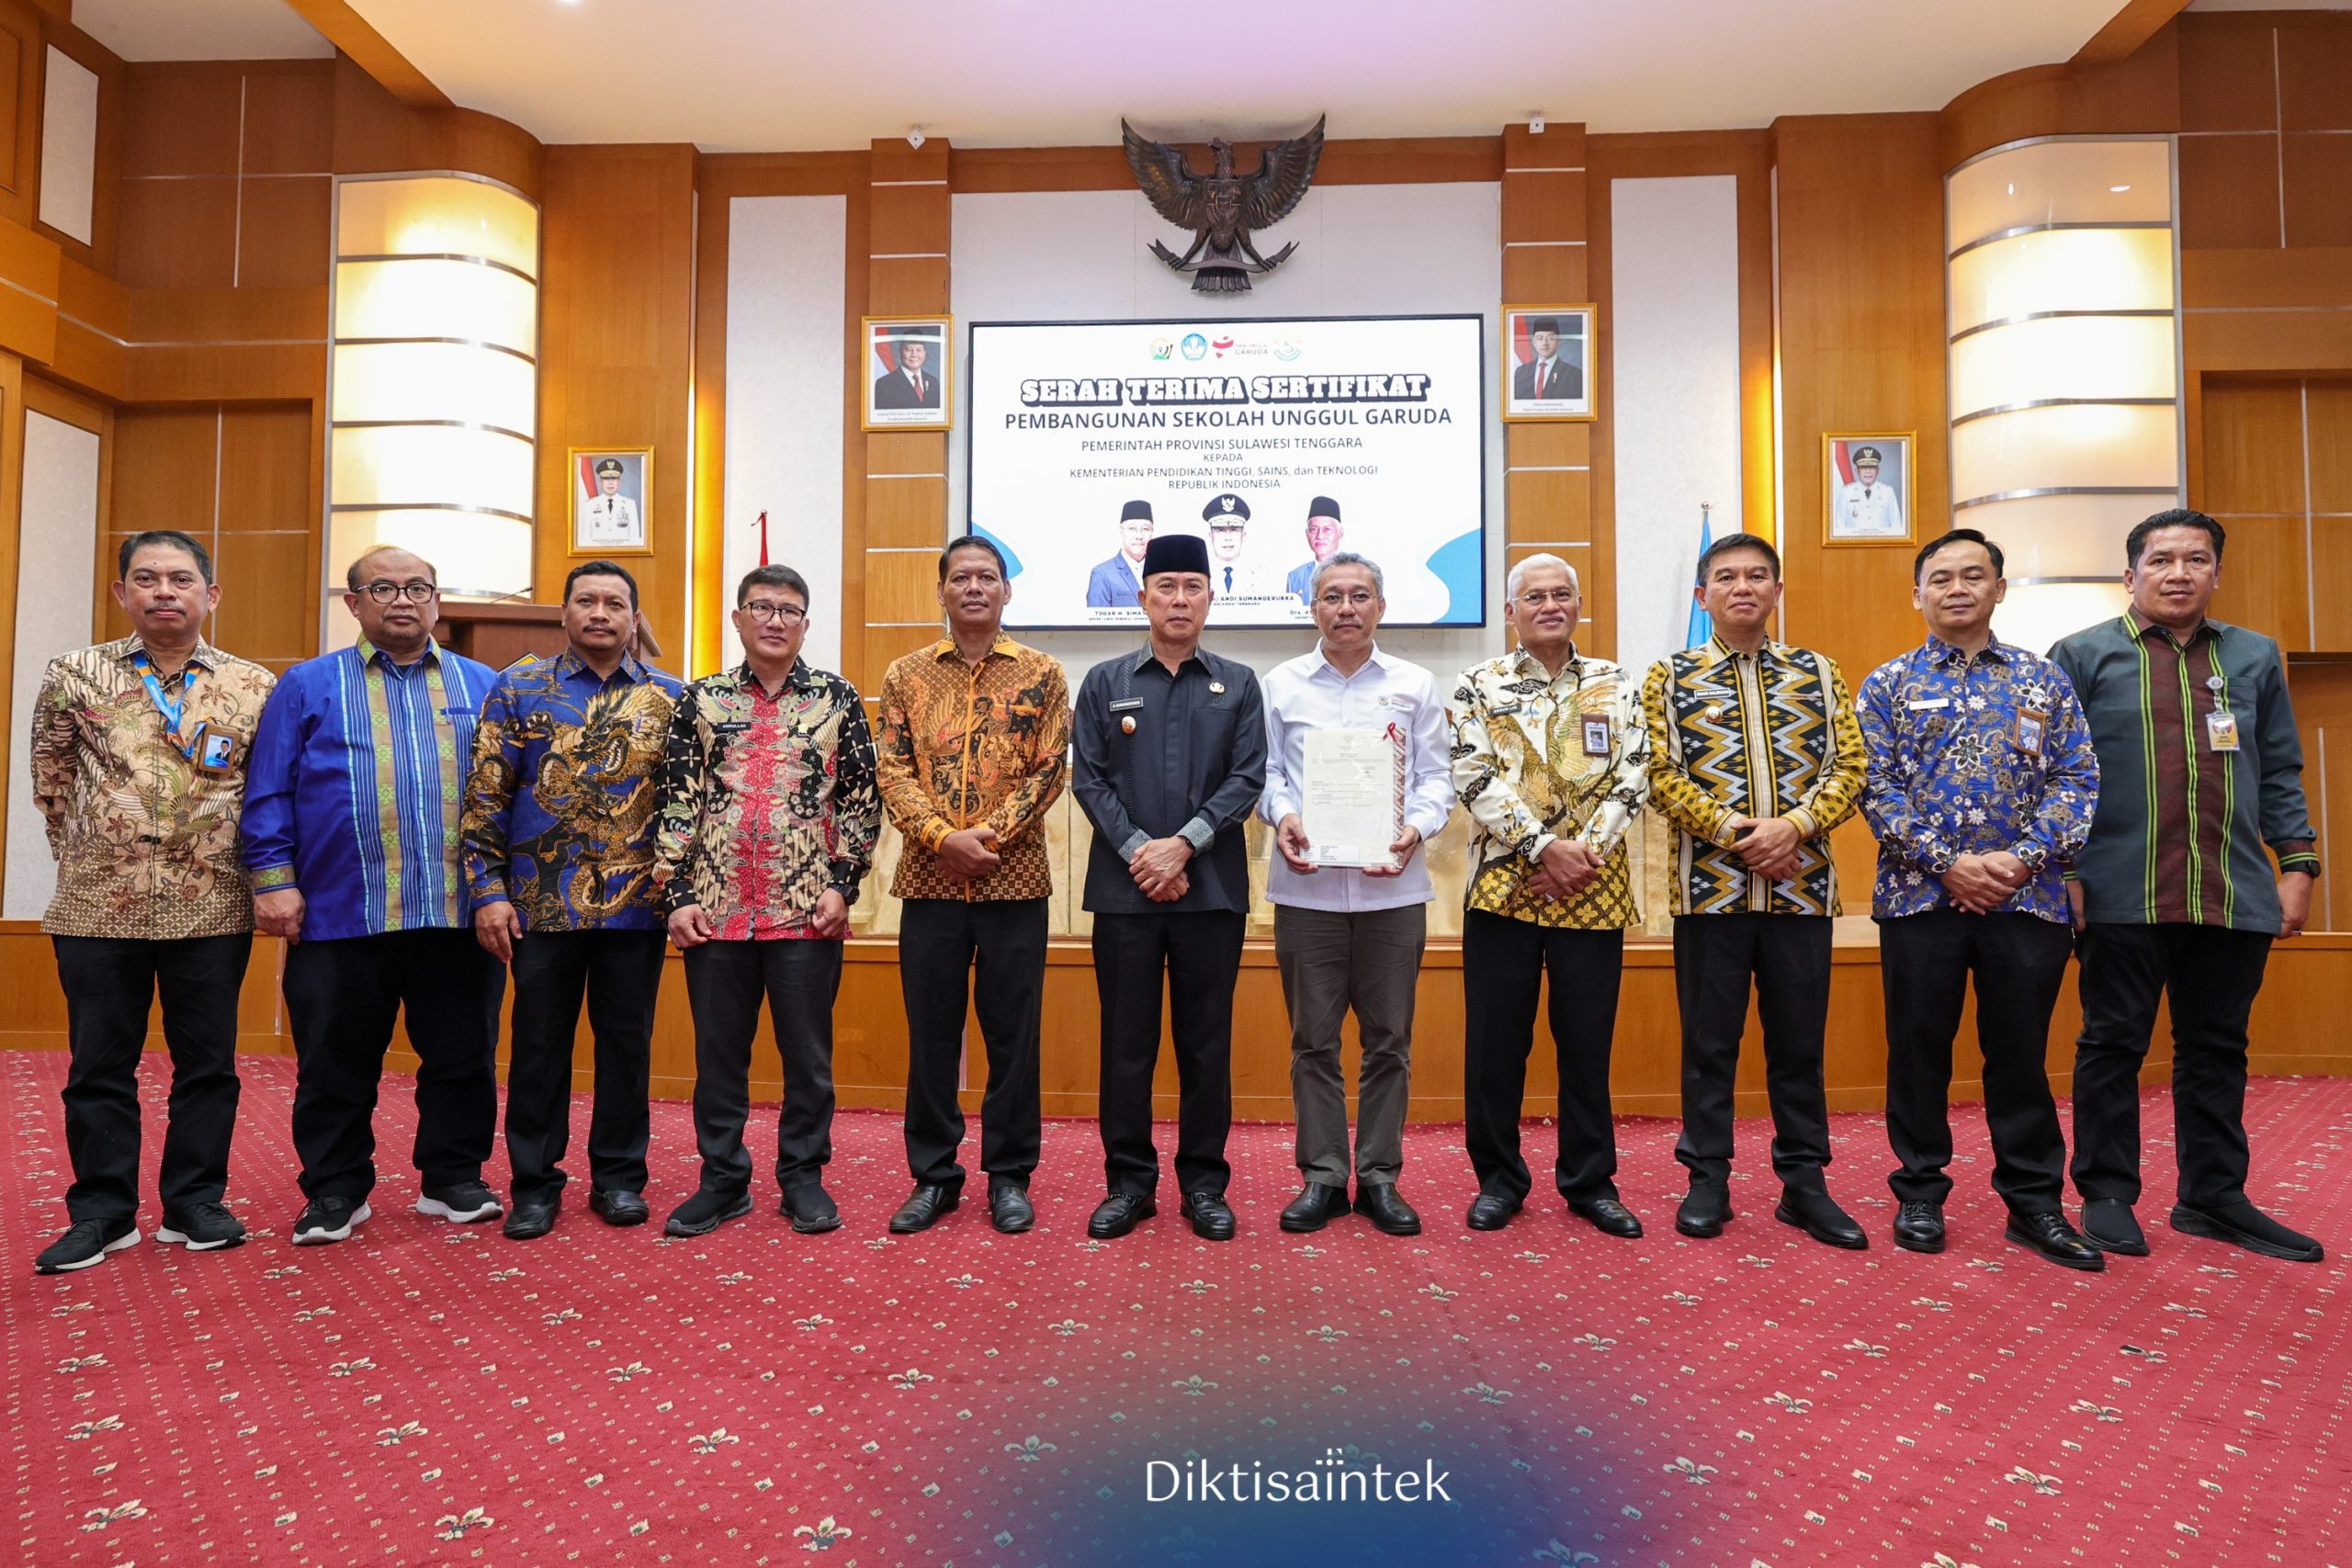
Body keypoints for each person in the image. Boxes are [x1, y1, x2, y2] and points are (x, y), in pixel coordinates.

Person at [2051, 509, 2324, 1263]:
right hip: (2118, 889)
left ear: (2216, 573)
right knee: (2112, 1042)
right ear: (2130, 573)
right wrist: (2065, 871)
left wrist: (2297, 865)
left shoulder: (2254, 657)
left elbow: (2279, 769)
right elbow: (2056, 777)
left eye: (2196, 560)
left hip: (2231, 890)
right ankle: (2107, 1193)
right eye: (2162, 559)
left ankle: (2213, 1196)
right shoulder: (2080, 655)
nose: (2179, 573)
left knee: (2217, 1047)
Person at [29, 531, 277, 1274]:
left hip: (212, 903)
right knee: (99, 1066)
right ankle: (103, 1211)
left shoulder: (252, 684)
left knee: (208, 1064)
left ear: (211, 593)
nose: (164, 590)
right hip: (98, 904)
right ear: (122, 593)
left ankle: (194, 1200)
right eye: (146, 578)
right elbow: (52, 783)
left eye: (180, 578)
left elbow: (263, 793)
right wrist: (102, 855)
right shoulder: (76, 673)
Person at [1857, 529, 2104, 1269]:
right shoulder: (1888, 684)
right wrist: (1949, 864)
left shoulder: (2044, 680)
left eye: (1974, 575)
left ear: (2000, 588)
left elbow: (2078, 781)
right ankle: (1920, 1193)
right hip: (1918, 900)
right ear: (1918, 594)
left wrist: (2019, 861)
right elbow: (1875, 787)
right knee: (1918, 1052)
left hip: (2026, 903)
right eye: (1942, 577)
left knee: (2022, 1056)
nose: (1958, 587)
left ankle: (2034, 1203)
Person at [243, 547, 505, 1246]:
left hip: (456, 912)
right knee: (333, 1060)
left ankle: (453, 1177)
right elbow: (267, 790)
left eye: (417, 586)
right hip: (339, 913)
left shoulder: (483, 685)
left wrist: (502, 891)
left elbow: (510, 796)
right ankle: (335, 1189)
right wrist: (275, 882)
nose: (401, 599)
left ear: (437, 601)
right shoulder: (305, 686)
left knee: (463, 1054)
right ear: (354, 603)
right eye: (382, 587)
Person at [1641, 531, 1870, 1249]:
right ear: (1701, 595)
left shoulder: (1819, 672)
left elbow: (1851, 766)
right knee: (1710, 1043)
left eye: (1758, 576)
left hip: (1801, 895)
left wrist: (1795, 827)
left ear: (1777, 589)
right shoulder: (1668, 676)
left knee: (1799, 1044)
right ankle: (1707, 1175)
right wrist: (1746, 834)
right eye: (1727, 576)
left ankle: (1805, 1182)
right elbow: (1658, 773)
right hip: (1709, 895)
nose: (1743, 587)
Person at [651, 564, 879, 1238]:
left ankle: (803, 1178)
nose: (775, 619)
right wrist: (679, 893)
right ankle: (722, 1180)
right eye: (762, 606)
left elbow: (862, 805)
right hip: (716, 913)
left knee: (808, 1058)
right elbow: (675, 804)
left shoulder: (838, 699)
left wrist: (843, 884)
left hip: (806, 912)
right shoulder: (701, 700)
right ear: (738, 618)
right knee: (719, 1057)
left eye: (789, 609)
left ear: (806, 623)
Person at [459, 559, 684, 1239]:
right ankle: (534, 1182)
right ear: (564, 614)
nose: (599, 612)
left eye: (615, 602)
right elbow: (485, 796)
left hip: (635, 905)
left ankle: (618, 1178)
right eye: (585, 600)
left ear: (634, 618)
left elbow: (683, 807)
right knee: (538, 1046)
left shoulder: (670, 697)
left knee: (626, 1046)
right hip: (539, 907)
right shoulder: (519, 687)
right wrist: (486, 891)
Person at [1070, 533, 1266, 1241]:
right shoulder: (1103, 681)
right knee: (1126, 1044)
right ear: (1143, 596)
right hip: (1124, 896)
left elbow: (1247, 779)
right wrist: (1138, 851)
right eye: (1166, 587)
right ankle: (1128, 1184)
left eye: (1192, 586)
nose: (1179, 599)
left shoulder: (1240, 683)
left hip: (1211, 892)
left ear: (1211, 596)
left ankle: (1205, 1185)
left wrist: (1182, 845)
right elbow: (1088, 778)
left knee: (1206, 1046)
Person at [1449, 554, 1649, 1236]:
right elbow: (1473, 776)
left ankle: (1591, 1182)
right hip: (1505, 887)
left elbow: (1635, 772)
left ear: (1579, 603)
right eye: (1533, 595)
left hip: (1594, 890)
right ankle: (1499, 1180)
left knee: (1587, 1045)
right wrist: (1544, 849)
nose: (1549, 604)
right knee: (1496, 1046)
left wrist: (1581, 855)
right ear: (1511, 611)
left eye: (1562, 593)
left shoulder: (1614, 681)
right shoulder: (1478, 683)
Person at [875, 536, 1069, 1235]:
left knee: (1013, 1037)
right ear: (943, 591)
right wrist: (939, 838)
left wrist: (986, 838)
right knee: (931, 1036)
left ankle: (1010, 1176)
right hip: (929, 884)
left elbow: (1050, 768)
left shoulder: (1043, 673)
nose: (976, 587)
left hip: (1014, 882)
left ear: (1007, 591)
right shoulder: (906, 674)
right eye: (962, 577)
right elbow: (890, 769)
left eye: (988, 576)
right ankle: (934, 1176)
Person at [1260, 552, 1453, 1235]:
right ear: (1312, 608)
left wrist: (1414, 828)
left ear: (1381, 605)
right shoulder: (1280, 684)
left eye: (1360, 595)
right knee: (1312, 1040)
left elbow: (1437, 780)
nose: (1346, 607)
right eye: (1332, 596)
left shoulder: (1416, 684)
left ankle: (1377, 1177)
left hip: (1392, 892)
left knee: (1389, 1041)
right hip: (1307, 892)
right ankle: (1320, 1176)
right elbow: (1268, 773)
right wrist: (1282, 814)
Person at [1085, 500, 1155, 608]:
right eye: (1132, 528)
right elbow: (1096, 624)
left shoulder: (1159, 571)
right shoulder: (1103, 574)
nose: (1139, 536)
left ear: (1152, 532)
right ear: (1121, 531)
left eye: (1145, 529)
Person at [1205, 495, 1269, 600]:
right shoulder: (1200, 574)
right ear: (1211, 536)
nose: (1228, 538)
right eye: (1221, 530)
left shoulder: (1261, 574)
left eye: (1234, 530)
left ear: (1243, 535)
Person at [1833, 446, 1904, 539]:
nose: (1868, 471)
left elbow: (1896, 527)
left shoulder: (1888, 492)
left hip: (1883, 547)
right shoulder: (1846, 492)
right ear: (1857, 471)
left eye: (1872, 467)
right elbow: (1839, 528)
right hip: (1853, 548)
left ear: (1878, 470)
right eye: (1863, 467)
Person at [1283, 496, 1344, 605]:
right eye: (1313, 530)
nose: (1320, 536)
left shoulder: (1356, 573)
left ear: (1340, 533)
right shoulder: (1295, 577)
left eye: (1327, 530)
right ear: (1307, 533)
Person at [1511, 317, 1581, 403]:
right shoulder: (1521, 372)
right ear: (1534, 342)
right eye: (1540, 338)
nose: (1544, 343)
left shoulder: (1574, 374)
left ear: (1558, 341)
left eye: (1550, 338)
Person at [873, 332, 942, 411]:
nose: (914, 355)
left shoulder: (933, 382)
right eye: (909, 350)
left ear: (924, 353)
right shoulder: (884, 384)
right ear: (900, 352)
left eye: (919, 350)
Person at [582, 457, 641, 547]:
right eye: (606, 478)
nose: (610, 483)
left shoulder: (630, 505)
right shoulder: (590, 505)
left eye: (613, 478)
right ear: (601, 483)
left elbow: (635, 540)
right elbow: (586, 540)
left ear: (619, 482)